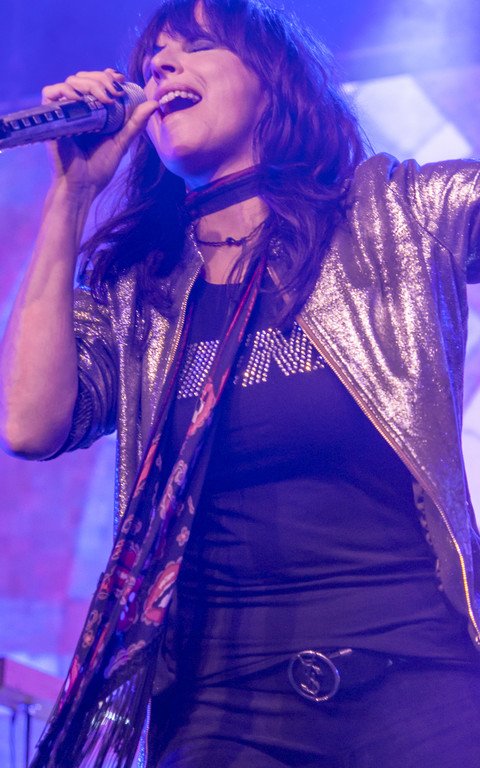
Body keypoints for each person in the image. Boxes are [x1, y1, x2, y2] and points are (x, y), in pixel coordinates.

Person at [1, 0, 480, 766]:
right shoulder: (139, 291)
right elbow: (29, 424)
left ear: (272, 81)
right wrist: (73, 193)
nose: (160, 65)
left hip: (414, 685)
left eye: (195, 46)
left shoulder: (394, 215)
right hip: (220, 711)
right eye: (151, 59)